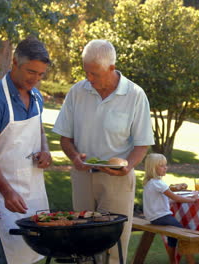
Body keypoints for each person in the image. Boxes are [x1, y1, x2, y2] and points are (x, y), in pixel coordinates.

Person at [52, 39, 154, 264]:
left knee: (114, 246)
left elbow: (142, 144)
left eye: (94, 73)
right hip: (82, 177)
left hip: (117, 181)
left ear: (111, 68)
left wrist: (128, 165)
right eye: (86, 72)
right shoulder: (77, 92)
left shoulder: (135, 95)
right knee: (83, 243)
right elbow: (65, 138)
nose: (89, 78)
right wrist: (74, 156)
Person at [0, 36, 52, 264]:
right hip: (2, 194)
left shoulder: (37, 97)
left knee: (34, 253)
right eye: (31, 72)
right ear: (15, 63)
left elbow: (39, 132)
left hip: (34, 191)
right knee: (10, 256)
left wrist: (45, 150)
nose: (35, 80)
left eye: (40, 74)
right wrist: (7, 191)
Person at [142, 153, 197, 264]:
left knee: (173, 236)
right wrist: (193, 200)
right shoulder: (159, 184)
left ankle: (173, 261)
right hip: (162, 217)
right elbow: (175, 197)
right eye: (162, 165)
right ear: (153, 168)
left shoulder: (149, 183)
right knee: (184, 234)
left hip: (154, 218)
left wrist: (184, 199)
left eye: (165, 165)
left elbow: (166, 200)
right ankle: (191, 262)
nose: (165, 167)